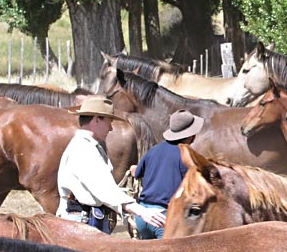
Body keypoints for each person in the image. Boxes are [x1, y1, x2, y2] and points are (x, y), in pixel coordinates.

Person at [56, 97, 166, 234]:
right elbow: (104, 189)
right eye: (109, 122)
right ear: (96, 120)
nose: (111, 128)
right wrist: (141, 211)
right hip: (81, 224)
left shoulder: (87, 146)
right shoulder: (84, 149)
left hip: (84, 220)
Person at [131, 109, 205, 239]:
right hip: (163, 217)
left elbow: (136, 173)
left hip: (143, 215)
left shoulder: (153, 151)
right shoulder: (186, 156)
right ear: (190, 135)